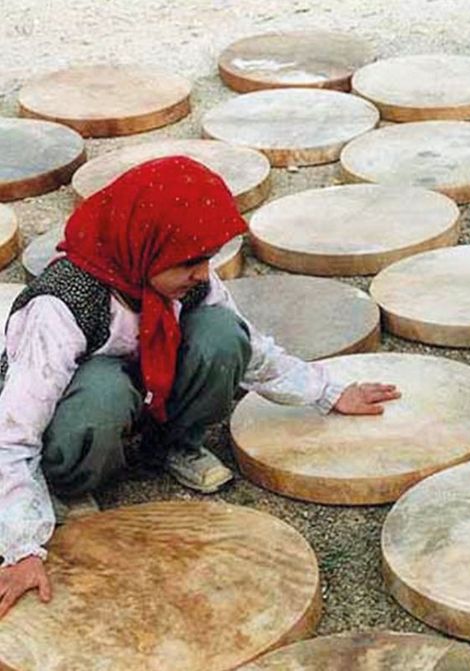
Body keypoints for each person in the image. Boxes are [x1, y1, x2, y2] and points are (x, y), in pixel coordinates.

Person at [0, 157, 400, 617]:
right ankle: (69, 482)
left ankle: (170, 447)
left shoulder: (181, 277)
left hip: (143, 391)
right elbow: (12, 434)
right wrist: (22, 545)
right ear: (144, 247)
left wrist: (327, 392)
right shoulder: (61, 305)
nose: (203, 272)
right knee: (103, 391)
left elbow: (249, 348)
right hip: (80, 410)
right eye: (191, 262)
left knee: (221, 333)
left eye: (207, 258)